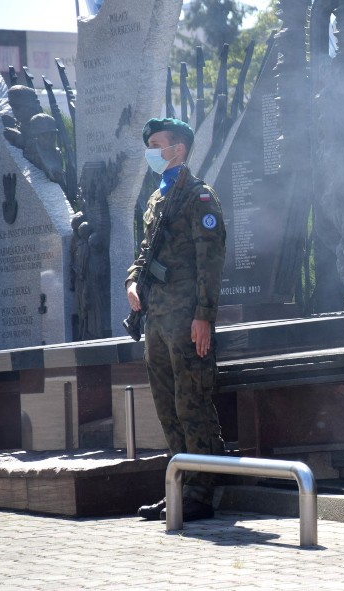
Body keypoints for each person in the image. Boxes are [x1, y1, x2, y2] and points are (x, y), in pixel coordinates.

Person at [127, 118, 227, 522]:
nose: (151, 151)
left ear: (179, 149)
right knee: (167, 407)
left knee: (192, 404)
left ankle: (202, 491)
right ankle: (180, 488)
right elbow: (142, 257)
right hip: (156, 320)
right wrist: (132, 283)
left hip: (187, 320)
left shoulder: (199, 198)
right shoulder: (156, 200)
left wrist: (204, 316)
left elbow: (211, 263)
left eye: (157, 144)